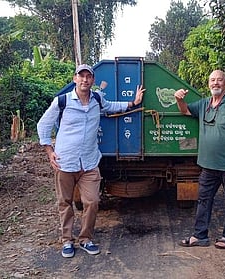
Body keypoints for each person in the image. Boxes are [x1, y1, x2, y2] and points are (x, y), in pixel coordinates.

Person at [37, 64, 145, 258]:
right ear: (74, 79)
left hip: (89, 162)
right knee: (65, 202)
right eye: (81, 76)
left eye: (88, 77)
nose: (85, 80)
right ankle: (67, 241)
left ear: (93, 80)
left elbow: (111, 106)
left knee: (93, 201)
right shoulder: (61, 101)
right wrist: (49, 150)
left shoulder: (97, 99)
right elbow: (43, 125)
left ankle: (85, 238)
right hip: (65, 161)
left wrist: (132, 103)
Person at [174, 69, 225, 249]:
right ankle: (199, 235)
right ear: (209, 84)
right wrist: (179, 99)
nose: (215, 83)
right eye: (212, 80)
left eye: (219, 80)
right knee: (203, 199)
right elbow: (185, 111)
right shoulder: (204, 104)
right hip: (208, 165)